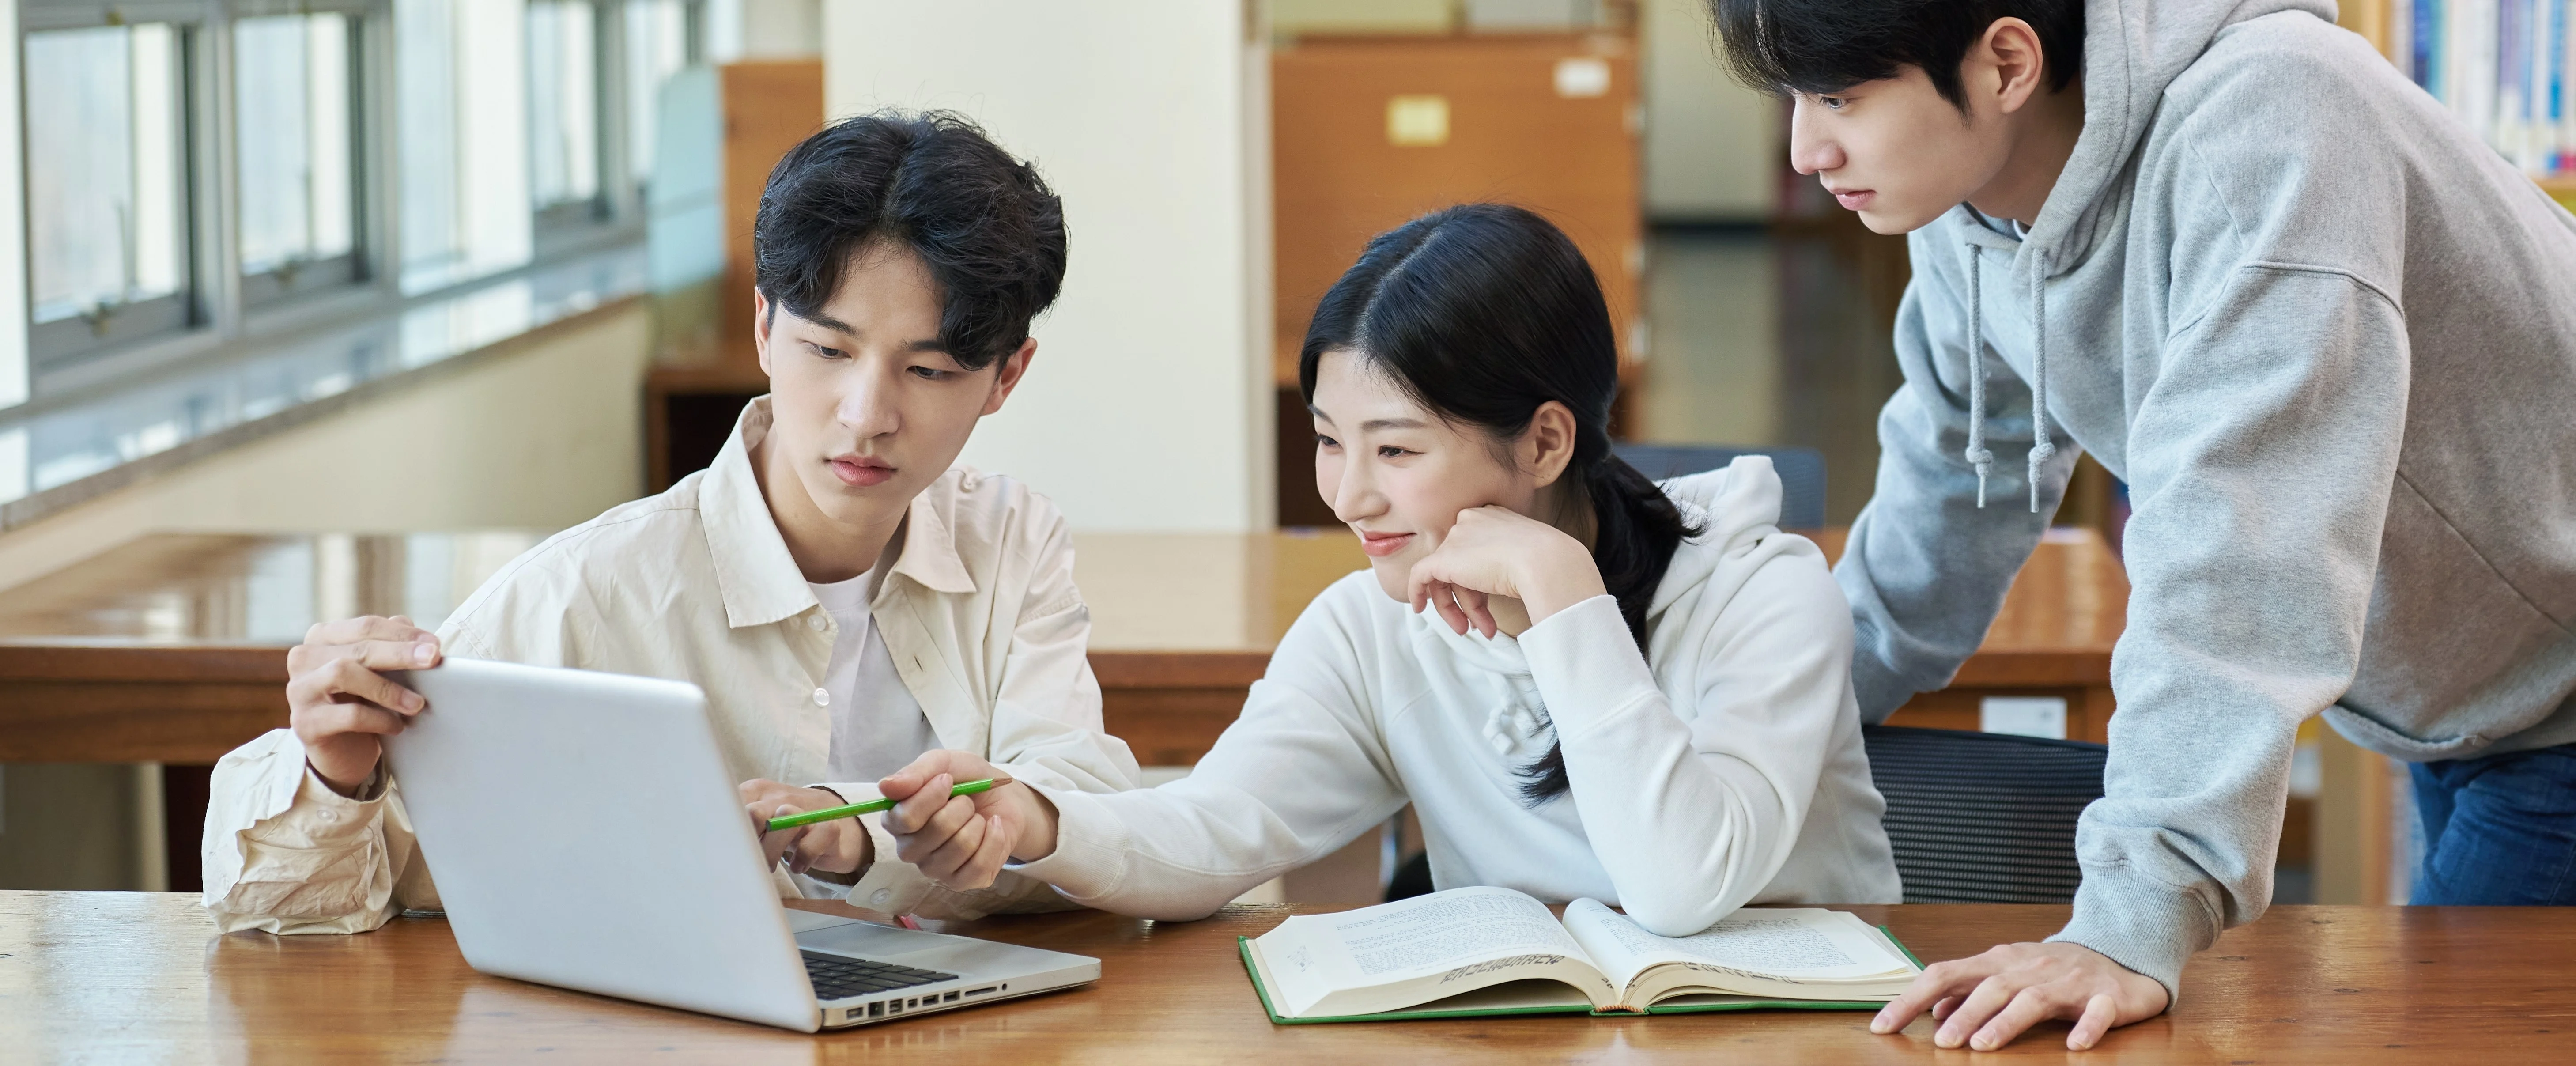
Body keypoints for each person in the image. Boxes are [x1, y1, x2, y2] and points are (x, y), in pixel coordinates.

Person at [1710, 0, 2576, 1051]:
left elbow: (2240, 557)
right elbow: (1950, 488)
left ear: (2007, 64)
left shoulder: (2272, 125)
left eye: (1838, 96)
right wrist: (1760, 725)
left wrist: (2129, 923)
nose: (1806, 150)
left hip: (2555, 689)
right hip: (2460, 692)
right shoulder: (1962, 199)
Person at [200, 111, 1139, 933]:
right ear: (766, 329)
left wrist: (862, 833)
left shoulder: (1009, 541)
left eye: (928, 372)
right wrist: (335, 772)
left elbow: (1092, 820)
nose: (866, 414)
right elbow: (280, 907)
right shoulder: (590, 590)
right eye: (826, 349)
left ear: (1006, 378)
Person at [852, 203, 1901, 930]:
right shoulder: (1373, 626)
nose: (1349, 495)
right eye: (1326, 439)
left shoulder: (1768, 594)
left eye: (1396, 450)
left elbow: (1681, 885)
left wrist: (1562, 597)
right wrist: (1041, 820)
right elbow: (1217, 831)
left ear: (1544, 442)